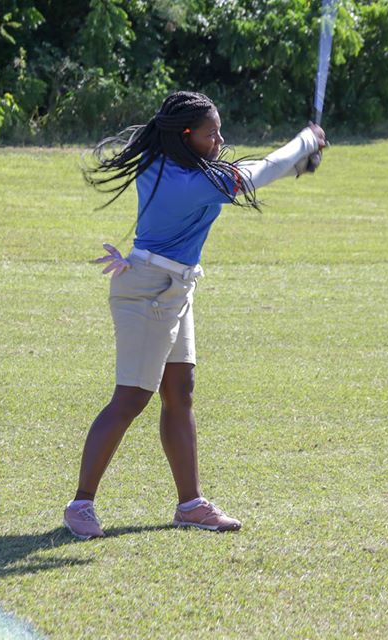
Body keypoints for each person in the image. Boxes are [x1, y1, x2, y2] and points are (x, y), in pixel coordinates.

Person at [64, 90, 326, 539]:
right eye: (211, 134)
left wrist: (298, 162)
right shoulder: (200, 183)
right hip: (149, 292)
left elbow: (253, 172)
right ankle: (80, 505)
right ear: (185, 136)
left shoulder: (160, 161)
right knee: (131, 398)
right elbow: (261, 171)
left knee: (179, 390)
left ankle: (190, 505)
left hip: (173, 286)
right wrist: (307, 141)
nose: (220, 141)